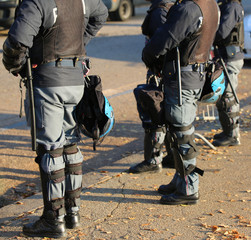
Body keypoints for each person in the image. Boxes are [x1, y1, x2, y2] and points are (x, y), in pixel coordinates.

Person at [2, 0, 108, 238]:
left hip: (49, 80)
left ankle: (53, 218)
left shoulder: (37, 1)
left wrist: (16, 66)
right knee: (70, 146)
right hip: (75, 78)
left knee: (51, 150)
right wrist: (79, 46)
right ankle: (73, 213)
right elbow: (101, 13)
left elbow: (16, 43)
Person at [142, 0, 219, 205]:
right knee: (178, 131)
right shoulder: (211, 4)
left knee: (182, 133)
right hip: (194, 74)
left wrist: (149, 57)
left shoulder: (189, 8)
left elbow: (163, 40)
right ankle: (181, 178)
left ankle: (189, 187)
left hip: (183, 77)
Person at [128, 0, 175, 174]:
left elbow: (160, 44)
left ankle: (153, 160)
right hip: (165, 71)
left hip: (160, 72)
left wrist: (156, 67)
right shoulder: (168, 8)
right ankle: (168, 155)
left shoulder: (159, 11)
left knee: (154, 113)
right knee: (164, 113)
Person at [213, 0, 244, 147]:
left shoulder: (232, 6)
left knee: (229, 97)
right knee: (223, 96)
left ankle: (232, 135)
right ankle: (227, 130)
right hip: (226, 57)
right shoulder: (227, 4)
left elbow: (222, 32)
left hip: (231, 58)